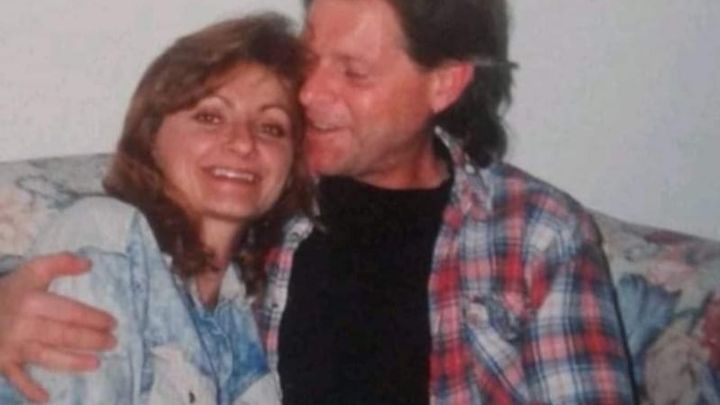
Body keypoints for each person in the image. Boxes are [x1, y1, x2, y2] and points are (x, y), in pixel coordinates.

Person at [0, 0, 636, 403]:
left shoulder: (535, 234)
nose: (309, 94)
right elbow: (111, 241)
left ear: (443, 83)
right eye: (311, 59)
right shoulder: (253, 189)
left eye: (353, 72)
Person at [0, 13, 312, 404]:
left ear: (292, 165)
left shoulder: (238, 313)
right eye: (210, 116)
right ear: (151, 137)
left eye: (271, 127)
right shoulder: (107, 238)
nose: (243, 143)